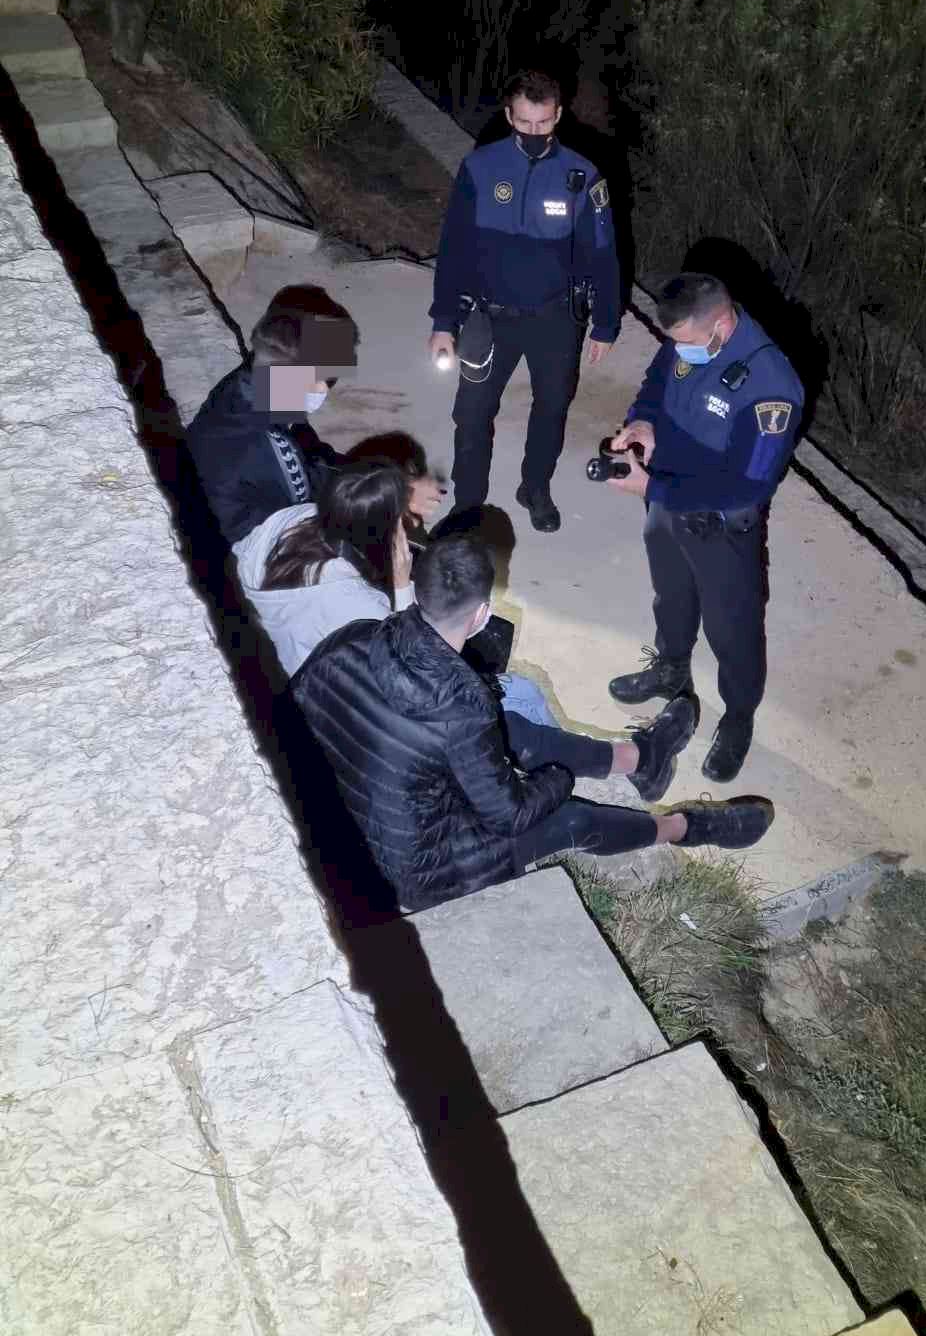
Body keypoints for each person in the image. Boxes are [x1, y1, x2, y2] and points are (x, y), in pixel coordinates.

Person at [290, 534, 775, 915]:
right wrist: (557, 779)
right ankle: (683, 826)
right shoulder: (464, 709)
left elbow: (292, 711)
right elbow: (511, 816)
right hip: (411, 871)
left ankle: (640, 760)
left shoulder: (352, 638)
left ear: (418, 589)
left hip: (345, 804)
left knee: (513, 730)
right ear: (482, 615)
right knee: (571, 819)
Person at [602, 272, 803, 784]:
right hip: (666, 499)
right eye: (675, 343)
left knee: (731, 628)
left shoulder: (772, 389)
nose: (679, 352)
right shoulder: (689, 339)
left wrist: (653, 487)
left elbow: (747, 486)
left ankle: (738, 717)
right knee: (671, 596)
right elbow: (656, 385)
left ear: (722, 325)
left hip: (721, 525)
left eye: (687, 343)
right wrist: (643, 421)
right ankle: (671, 668)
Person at [428, 69, 621, 534]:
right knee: (472, 414)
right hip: (489, 317)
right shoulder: (480, 168)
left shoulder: (582, 175)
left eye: (544, 122)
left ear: (559, 115)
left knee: (552, 407)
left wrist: (606, 322)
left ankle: (535, 487)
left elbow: (603, 253)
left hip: (555, 318)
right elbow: (454, 249)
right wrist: (444, 321)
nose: (534, 132)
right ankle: (467, 504)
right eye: (524, 122)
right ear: (509, 115)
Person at [235, 461, 560, 732]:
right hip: (322, 694)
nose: (408, 526)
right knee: (521, 692)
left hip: (279, 644)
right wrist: (403, 584)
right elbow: (407, 663)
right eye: (400, 522)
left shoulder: (298, 516)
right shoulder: (357, 604)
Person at [185, 288, 442, 549]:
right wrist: (394, 496)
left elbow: (315, 461)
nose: (323, 388)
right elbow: (318, 506)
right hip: (251, 548)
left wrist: (395, 484)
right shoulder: (267, 443)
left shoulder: (254, 385)